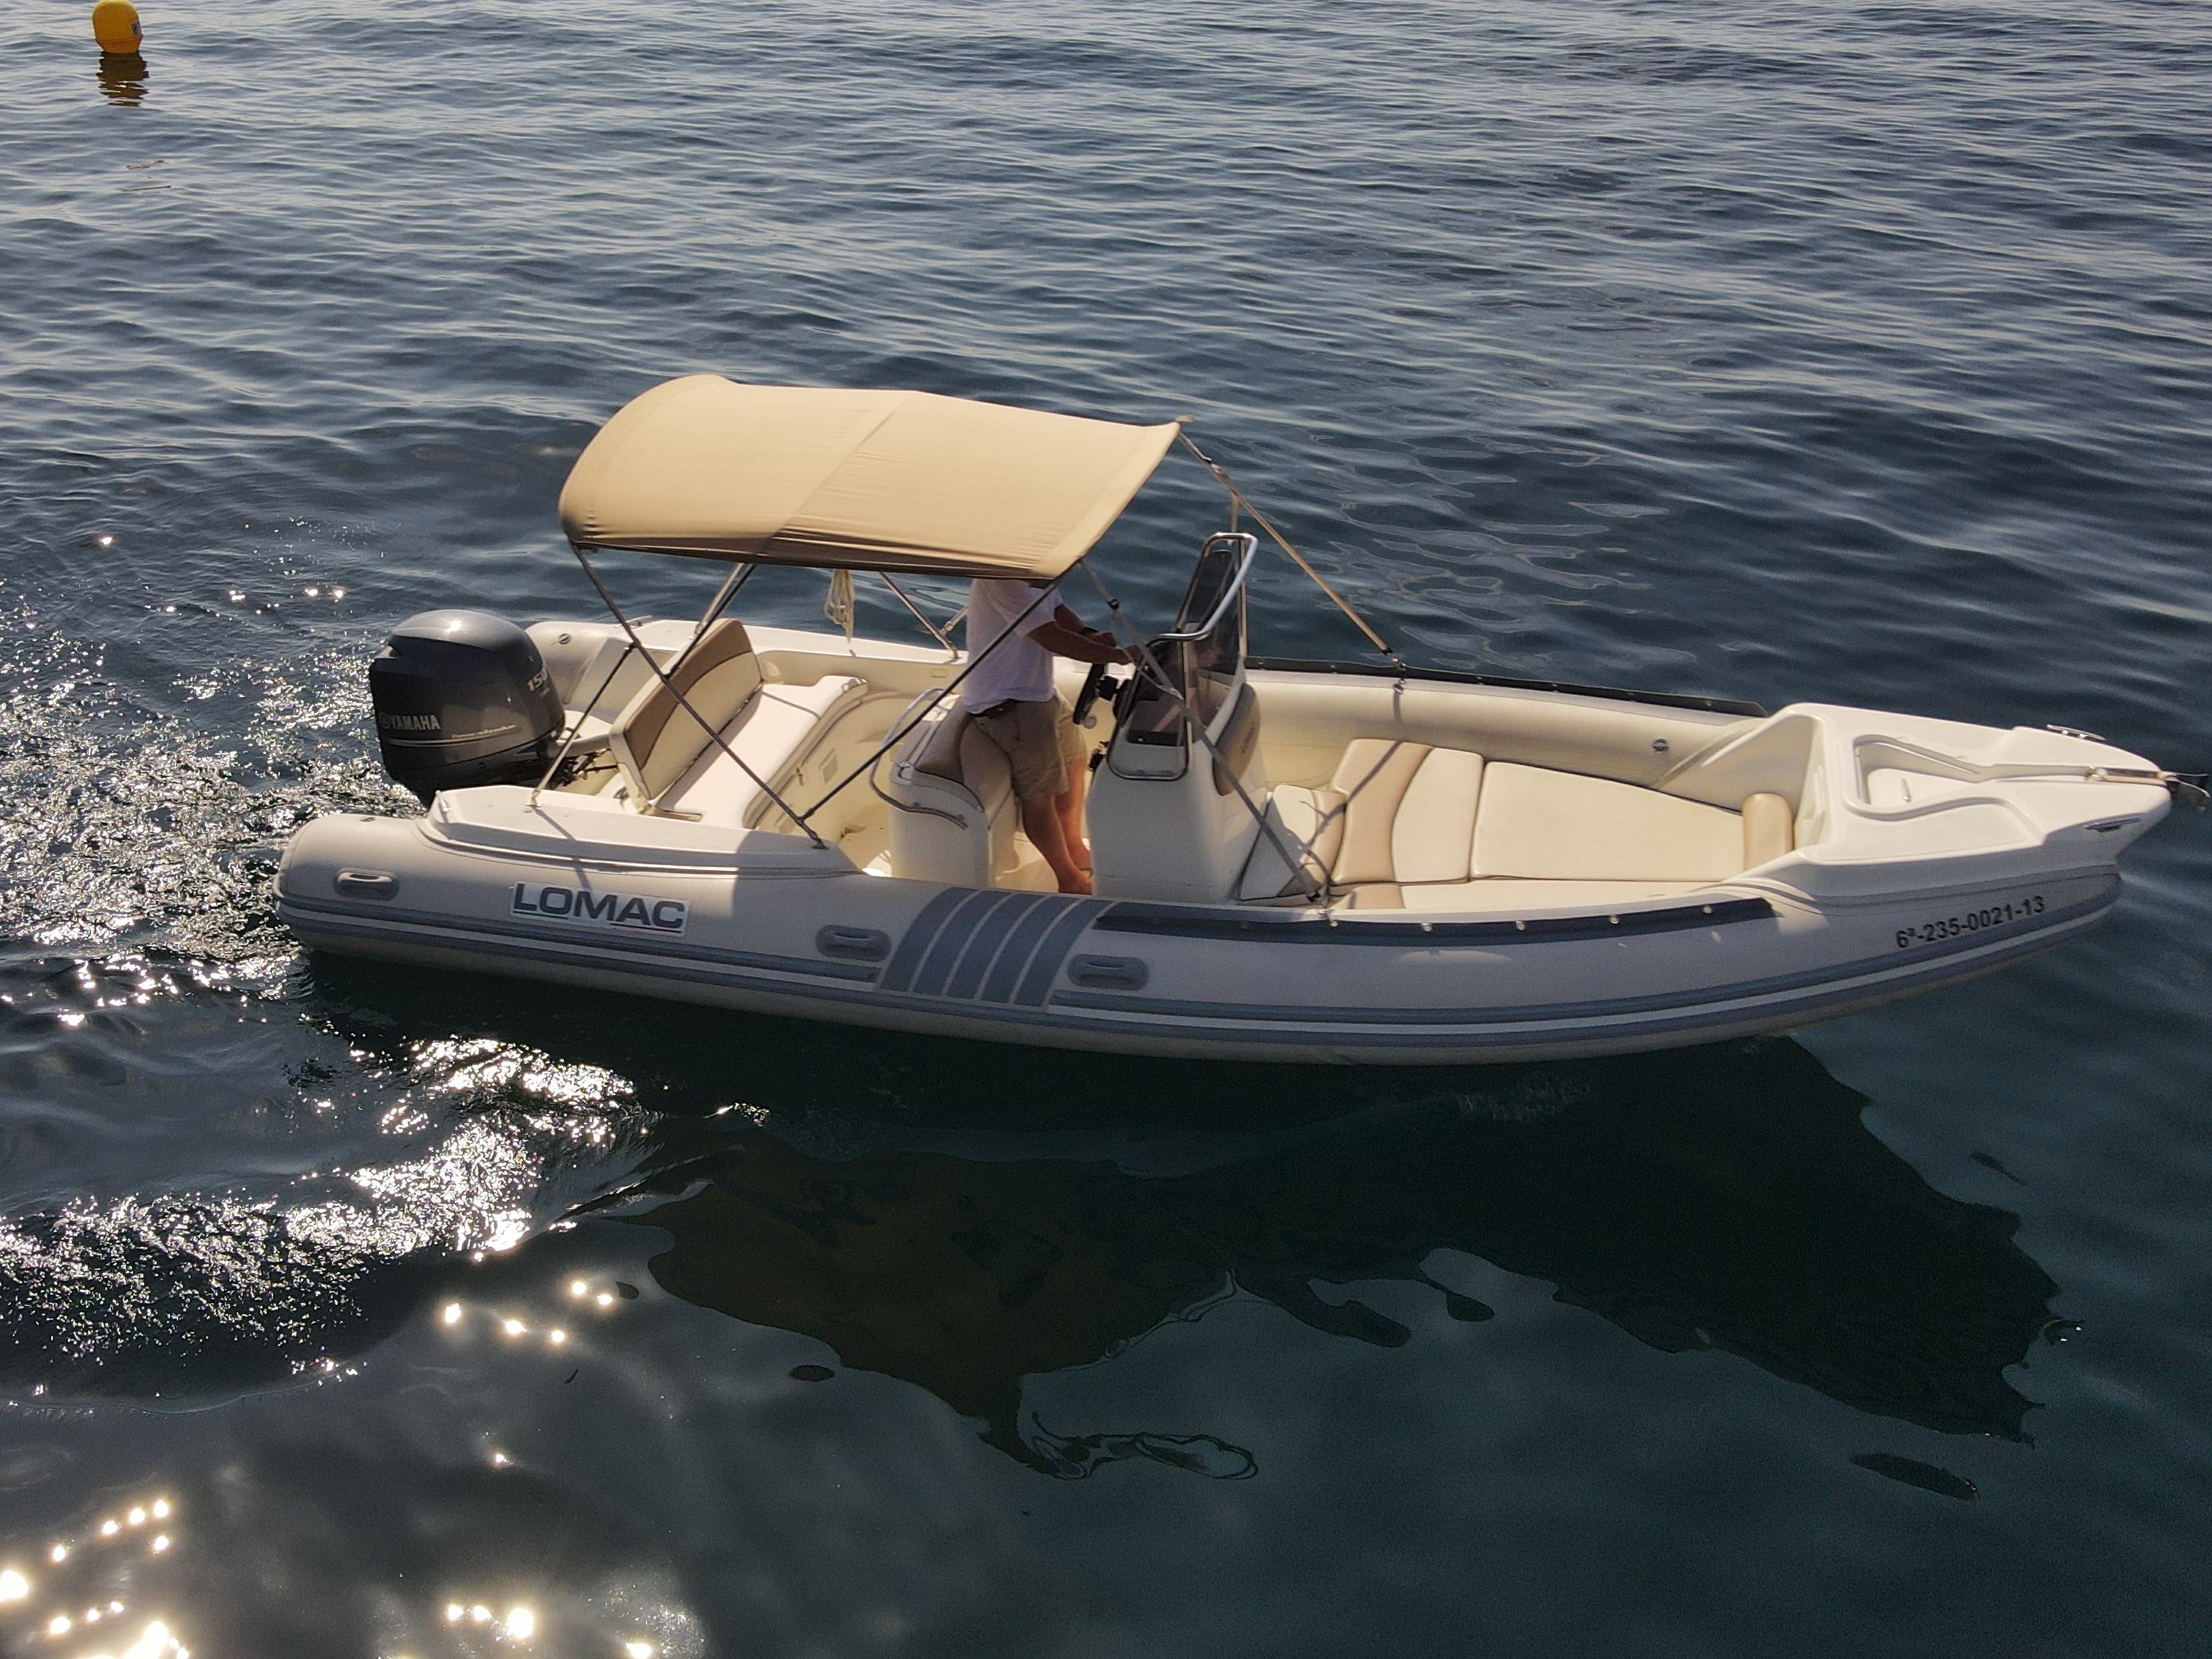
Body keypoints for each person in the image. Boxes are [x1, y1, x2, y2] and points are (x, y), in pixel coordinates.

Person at [959, 577, 1128, 893]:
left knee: (1076, 760)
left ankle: (1074, 848)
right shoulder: (1004, 581)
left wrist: (1088, 634)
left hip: (1037, 693)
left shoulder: (1036, 572)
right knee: (1041, 795)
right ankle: (1068, 878)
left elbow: (1057, 610)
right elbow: (1051, 638)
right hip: (1007, 702)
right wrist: (1117, 656)